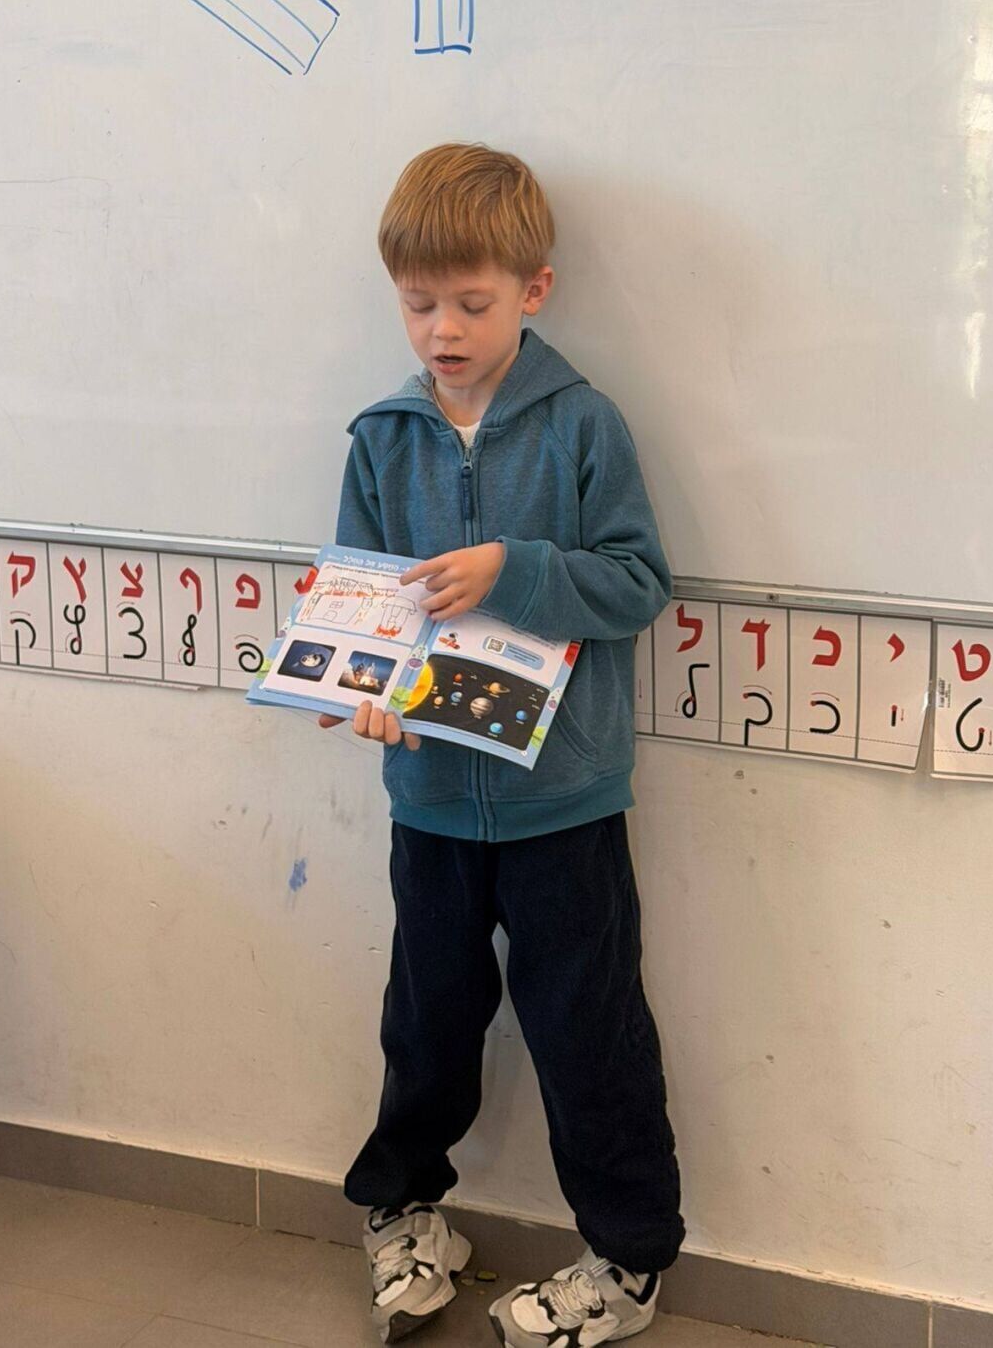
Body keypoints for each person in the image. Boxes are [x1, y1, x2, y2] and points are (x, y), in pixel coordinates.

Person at [323, 143, 683, 1345]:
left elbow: (636, 582)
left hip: (565, 800)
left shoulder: (584, 424)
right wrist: (364, 688)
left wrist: (514, 569)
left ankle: (627, 1259)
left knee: (588, 1031)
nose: (442, 330)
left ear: (534, 290)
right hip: (428, 793)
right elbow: (361, 605)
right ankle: (402, 1209)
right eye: (418, 302)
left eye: (471, 303)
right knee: (424, 1021)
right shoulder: (382, 437)